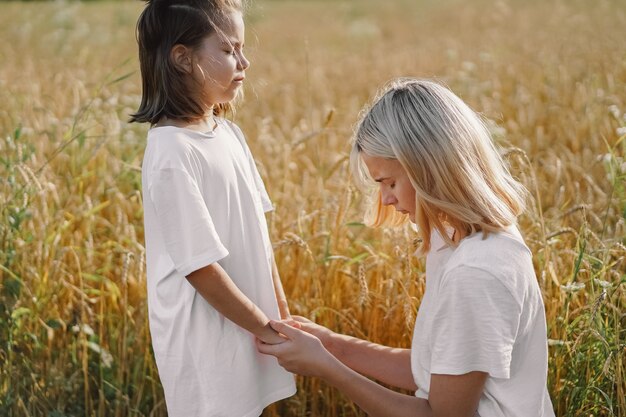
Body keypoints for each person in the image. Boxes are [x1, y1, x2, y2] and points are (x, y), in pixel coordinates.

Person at [258, 78, 555, 417]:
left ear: (429, 168)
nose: (385, 198)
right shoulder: (460, 242)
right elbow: (433, 371)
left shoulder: (475, 272)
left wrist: (329, 368)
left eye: (390, 182)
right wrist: (332, 343)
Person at [129, 0, 296, 415]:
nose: (244, 62)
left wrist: (283, 319)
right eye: (228, 50)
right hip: (205, 339)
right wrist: (266, 327)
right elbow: (199, 266)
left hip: (249, 325)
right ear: (182, 59)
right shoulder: (171, 150)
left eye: (241, 48)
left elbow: (259, 237)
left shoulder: (229, 133)